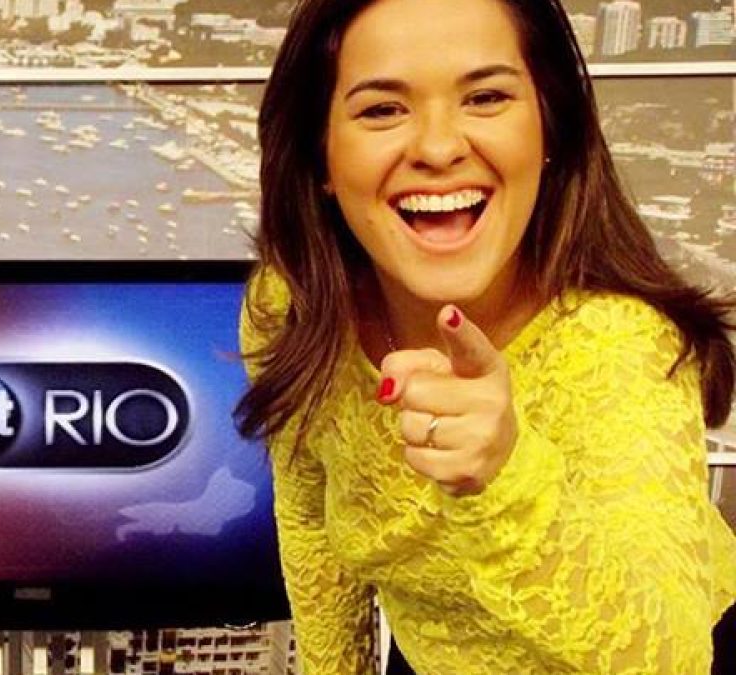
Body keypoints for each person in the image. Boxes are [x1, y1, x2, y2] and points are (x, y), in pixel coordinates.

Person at [234, 0, 736, 672]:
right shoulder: (292, 305)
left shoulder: (618, 344)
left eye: (486, 97)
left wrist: (505, 476)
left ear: (549, 128)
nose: (439, 148)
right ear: (319, 155)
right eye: (382, 109)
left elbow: (671, 655)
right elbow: (310, 522)